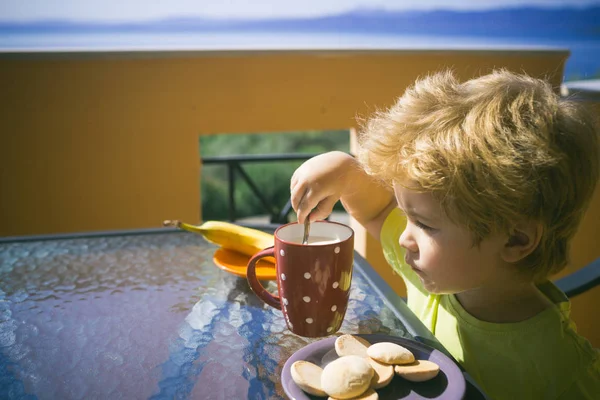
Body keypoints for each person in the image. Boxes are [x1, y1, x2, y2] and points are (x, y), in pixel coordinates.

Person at [290, 69, 600, 399]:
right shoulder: (445, 271)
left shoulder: (558, 370)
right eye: (406, 216)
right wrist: (345, 172)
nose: (403, 238)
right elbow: (379, 211)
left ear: (516, 240)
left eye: (424, 224)